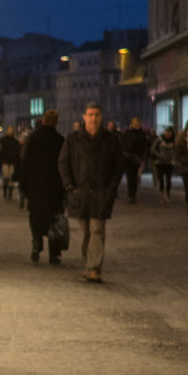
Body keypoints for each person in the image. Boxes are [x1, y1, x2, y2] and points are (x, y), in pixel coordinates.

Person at [59, 103, 123, 282]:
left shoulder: (110, 140)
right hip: (80, 192)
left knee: (97, 229)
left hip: (101, 192)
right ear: (84, 117)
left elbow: (118, 165)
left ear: (101, 117)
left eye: (96, 114)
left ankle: (94, 267)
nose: (93, 118)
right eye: (90, 114)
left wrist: (111, 187)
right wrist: (69, 185)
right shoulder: (73, 140)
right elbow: (63, 162)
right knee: (86, 231)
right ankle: (88, 262)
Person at [21, 111, 67, 264]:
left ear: (44, 121)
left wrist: (24, 186)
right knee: (54, 218)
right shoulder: (60, 140)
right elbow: (65, 164)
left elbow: (25, 162)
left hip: (36, 185)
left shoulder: (33, 139)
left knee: (36, 216)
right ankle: (54, 253)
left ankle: (36, 243)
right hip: (54, 186)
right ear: (56, 122)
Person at [120, 117, 152, 204]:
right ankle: (131, 195)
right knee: (130, 177)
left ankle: (132, 194)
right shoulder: (127, 133)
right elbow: (123, 145)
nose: (136, 125)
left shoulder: (142, 134)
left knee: (135, 177)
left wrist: (143, 157)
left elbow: (145, 146)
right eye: (134, 123)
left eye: (137, 123)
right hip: (128, 158)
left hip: (137, 159)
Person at [150, 125, 181, 201]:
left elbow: (176, 150)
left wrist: (174, 158)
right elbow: (152, 149)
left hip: (169, 163)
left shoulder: (173, 141)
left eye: (169, 132)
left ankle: (167, 193)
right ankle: (162, 193)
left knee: (168, 179)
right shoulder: (159, 140)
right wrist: (159, 155)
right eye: (166, 132)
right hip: (160, 162)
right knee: (161, 180)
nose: (168, 134)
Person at [0, 127, 23, 204]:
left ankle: (10, 194)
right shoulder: (2, 140)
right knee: (6, 176)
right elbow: (0, 150)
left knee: (11, 178)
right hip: (5, 161)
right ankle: (5, 192)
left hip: (12, 162)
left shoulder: (15, 141)